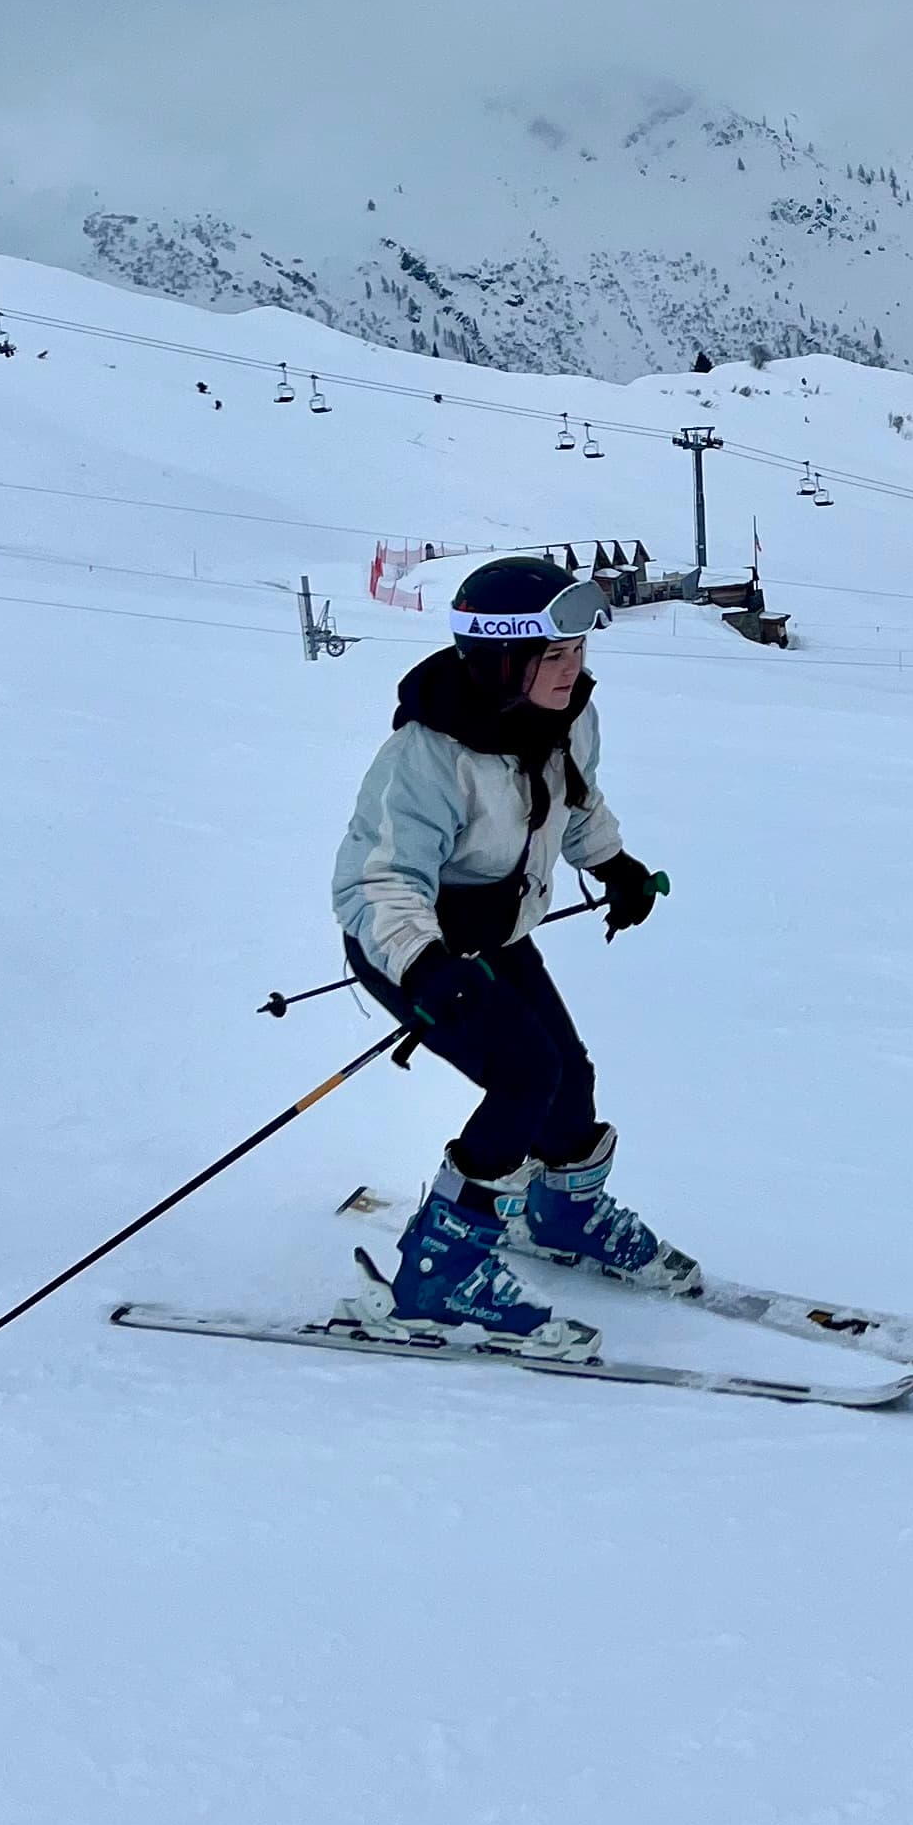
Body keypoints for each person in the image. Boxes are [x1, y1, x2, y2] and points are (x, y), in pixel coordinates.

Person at [331, 552, 692, 1355]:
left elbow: (575, 800)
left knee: (568, 1076)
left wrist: (614, 865)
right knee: (524, 1075)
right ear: (500, 658)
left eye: (578, 651)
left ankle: (562, 1214)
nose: (572, 669)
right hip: (410, 948)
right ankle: (438, 1273)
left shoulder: (567, 717)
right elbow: (378, 882)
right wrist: (427, 967)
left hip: (494, 936)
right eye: (553, 654)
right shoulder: (426, 757)